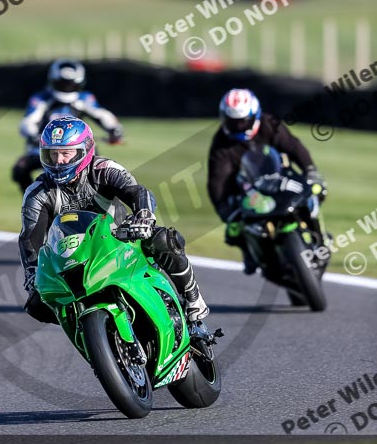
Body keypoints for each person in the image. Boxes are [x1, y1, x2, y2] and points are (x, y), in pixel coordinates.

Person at [19, 116, 209, 334]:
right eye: (52, 154)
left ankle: (194, 301)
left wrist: (143, 216)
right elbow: (30, 238)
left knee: (165, 240)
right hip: (75, 256)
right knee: (37, 304)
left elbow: (136, 191)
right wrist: (33, 273)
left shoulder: (104, 169)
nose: (59, 161)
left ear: (84, 151)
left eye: (65, 153)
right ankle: (88, 336)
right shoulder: (37, 193)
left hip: (121, 240)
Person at [207, 88, 327, 274]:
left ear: (255, 115)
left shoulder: (270, 124)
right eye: (233, 121)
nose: (238, 126)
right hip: (248, 188)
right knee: (234, 229)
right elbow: (217, 181)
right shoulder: (221, 145)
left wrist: (310, 171)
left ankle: (318, 233)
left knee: (316, 192)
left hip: (281, 175)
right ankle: (250, 251)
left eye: (242, 121)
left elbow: (295, 148)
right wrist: (225, 209)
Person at [12, 59, 124, 193]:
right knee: (20, 169)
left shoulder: (84, 98)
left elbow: (102, 115)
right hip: (46, 150)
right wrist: (33, 135)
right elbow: (28, 121)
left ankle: (99, 203)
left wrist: (114, 129)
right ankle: (31, 199)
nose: (66, 87)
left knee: (100, 172)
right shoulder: (41, 98)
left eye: (70, 84)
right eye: (62, 84)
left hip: (79, 150)